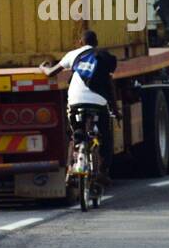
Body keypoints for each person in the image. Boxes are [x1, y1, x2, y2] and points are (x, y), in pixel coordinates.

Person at [40, 30, 117, 181]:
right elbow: (109, 84)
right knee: (106, 136)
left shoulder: (73, 55)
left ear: (81, 42)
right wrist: (115, 110)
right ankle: (103, 171)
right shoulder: (104, 56)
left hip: (76, 101)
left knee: (76, 134)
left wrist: (43, 67)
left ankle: (71, 164)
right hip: (99, 102)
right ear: (96, 43)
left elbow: (50, 72)